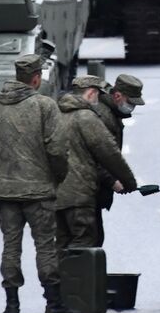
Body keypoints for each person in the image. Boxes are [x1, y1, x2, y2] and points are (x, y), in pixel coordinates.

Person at [0, 54, 78, 313]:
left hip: (6, 191)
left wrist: (2, 174)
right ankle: (53, 304)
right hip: (39, 191)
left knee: (11, 246)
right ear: (36, 78)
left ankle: (11, 306)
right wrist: (57, 176)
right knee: (45, 246)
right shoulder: (45, 106)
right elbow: (57, 150)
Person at [55, 76, 138, 248]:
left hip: (59, 191)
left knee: (65, 243)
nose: (132, 107)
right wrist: (123, 182)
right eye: (131, 102)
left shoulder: (61, 113)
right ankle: (77, 275)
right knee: (86, 244)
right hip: (80, 192)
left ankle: (58, 275)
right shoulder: (93, 116)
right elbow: (106, 155)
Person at [90, 75, 144, 223]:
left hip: (91, 191)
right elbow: (94, 157)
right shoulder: (103, 116)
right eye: (130, 103)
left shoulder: (111, 112)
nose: (132, 107)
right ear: (118, 96)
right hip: (86, 193)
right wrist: (112, 181)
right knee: (89, 240)